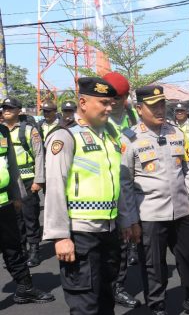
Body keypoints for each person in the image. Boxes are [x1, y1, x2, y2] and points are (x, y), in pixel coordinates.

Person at [44, 77, 140, 315]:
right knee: (85, 305)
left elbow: (116, 179)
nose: (110, 108)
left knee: (106, 299)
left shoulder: (109, 135)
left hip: (108, 232)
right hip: (80, 235)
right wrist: (60, 236)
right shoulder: (65, 137)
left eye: (111, 102)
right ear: (83, 103)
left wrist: (125, 220)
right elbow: (55, 187)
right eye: (104, 103)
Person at [120, 86, 189, 315]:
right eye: (154, 106)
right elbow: (125, 184)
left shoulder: (176, 133)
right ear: (139, 108)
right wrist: (130, 220)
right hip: (150, 214)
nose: (160, 110)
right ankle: (157, 306)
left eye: (162, 104)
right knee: (153, 265)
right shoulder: (129, 138)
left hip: (182, 210)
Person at [0, 121, 55, 305]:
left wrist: (17, 195)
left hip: (4, 201)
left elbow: (11, 164)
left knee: (13, 247)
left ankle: (25, 288)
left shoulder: (2, 131)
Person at [101, 71, 141, 308]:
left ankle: (118, 286)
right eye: (111, 97)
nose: (114, 101)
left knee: (125, 242)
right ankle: (107, 285)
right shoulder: (99, 120)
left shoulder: (131, 115)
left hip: (128, 188)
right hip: (104, 191)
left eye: (119, 97)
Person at [2, 97, 45, 268]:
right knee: (15, 219)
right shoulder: (2, 130)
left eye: (10, 108)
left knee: (30, 217)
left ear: (19, 110)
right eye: (4, 108)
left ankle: (34, 250)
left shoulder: (28, 130)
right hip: (10, 183)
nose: (6, 110)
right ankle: (20, 252)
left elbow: (39, 154)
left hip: (28, 180)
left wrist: (39, 180)